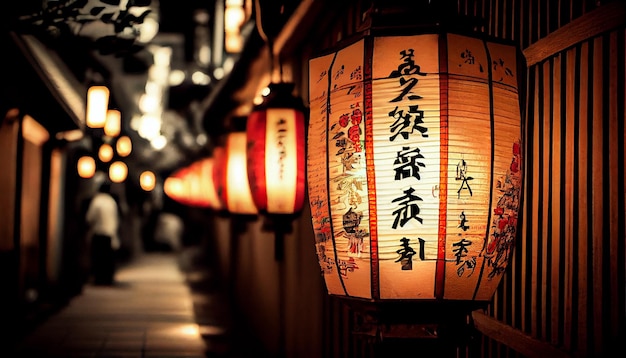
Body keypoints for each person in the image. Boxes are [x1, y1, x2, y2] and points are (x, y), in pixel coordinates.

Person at [85, 181, 121, 285]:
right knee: (108, 260)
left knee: (98, 259)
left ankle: (99, 280)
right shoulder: (111, 202)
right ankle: (108, 279)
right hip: (110, 233)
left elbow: (90, 218)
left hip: (99, 233)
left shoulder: (96, 201)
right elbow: (116, 218)